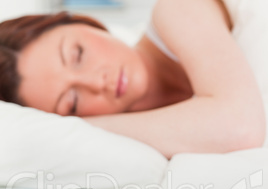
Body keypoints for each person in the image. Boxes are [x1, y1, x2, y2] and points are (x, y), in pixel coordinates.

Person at [0, 0, 265, 159]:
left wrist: (86, 122)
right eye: (72, 101)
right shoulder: (149, 142)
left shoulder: (176, 9)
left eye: (78, 54)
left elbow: (240, 128)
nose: (96, 82)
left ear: (86, 22)